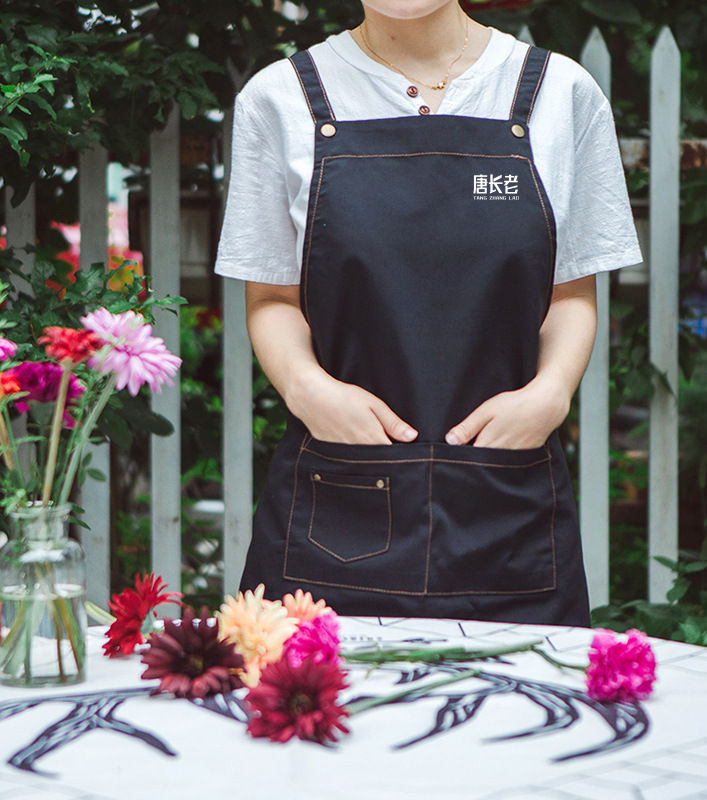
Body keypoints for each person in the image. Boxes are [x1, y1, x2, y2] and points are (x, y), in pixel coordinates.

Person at [214, 0, 642, 625]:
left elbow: (570, 293)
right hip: (338, 498)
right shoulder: (279, 99)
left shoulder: (560, 93)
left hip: (507, 498)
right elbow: (273, 298)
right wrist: (308, 389)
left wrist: (551, 393)